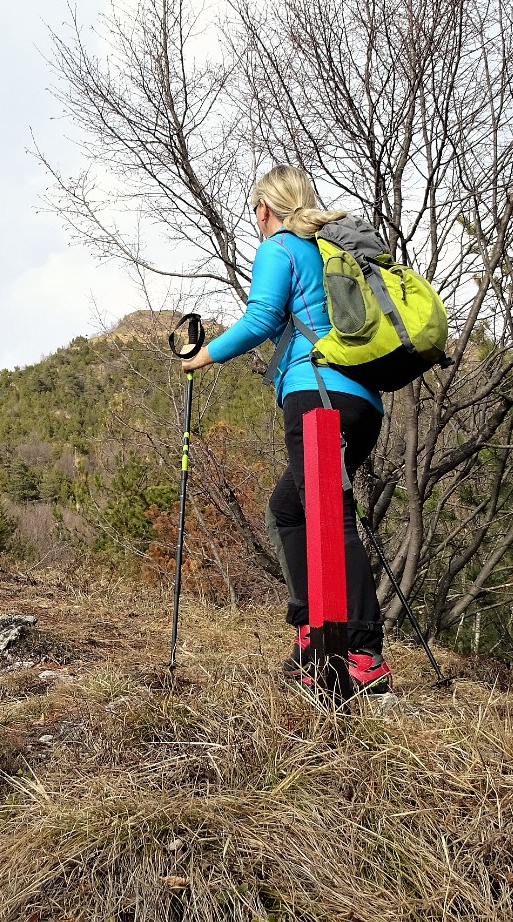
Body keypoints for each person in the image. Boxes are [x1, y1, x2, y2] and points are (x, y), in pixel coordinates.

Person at [181, 165, 391, 694]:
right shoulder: (329, 248)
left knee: (331, 518)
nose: (254, 219)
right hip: (364, 402)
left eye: (255, 209)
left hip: (316, 395)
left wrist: (199, 358)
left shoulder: (280, 247)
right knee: (289, 508)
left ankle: (361, 656)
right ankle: (311, 635)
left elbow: (259, 319)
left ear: (266, 208)